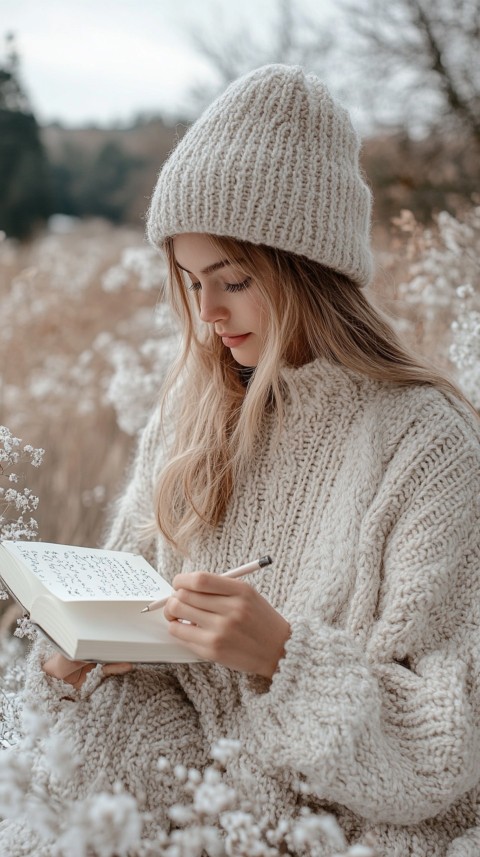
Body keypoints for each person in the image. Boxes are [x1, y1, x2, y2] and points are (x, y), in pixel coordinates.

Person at [2, 63, 480, 856]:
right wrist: (81, 660)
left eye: (233, 280)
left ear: (311, 272)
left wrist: (282, 657)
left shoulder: (427, 448)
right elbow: (136, 623)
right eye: (190, 283)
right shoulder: (193, 418)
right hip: (196, 805)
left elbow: (447, 743)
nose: (208, 313)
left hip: (349, 830)